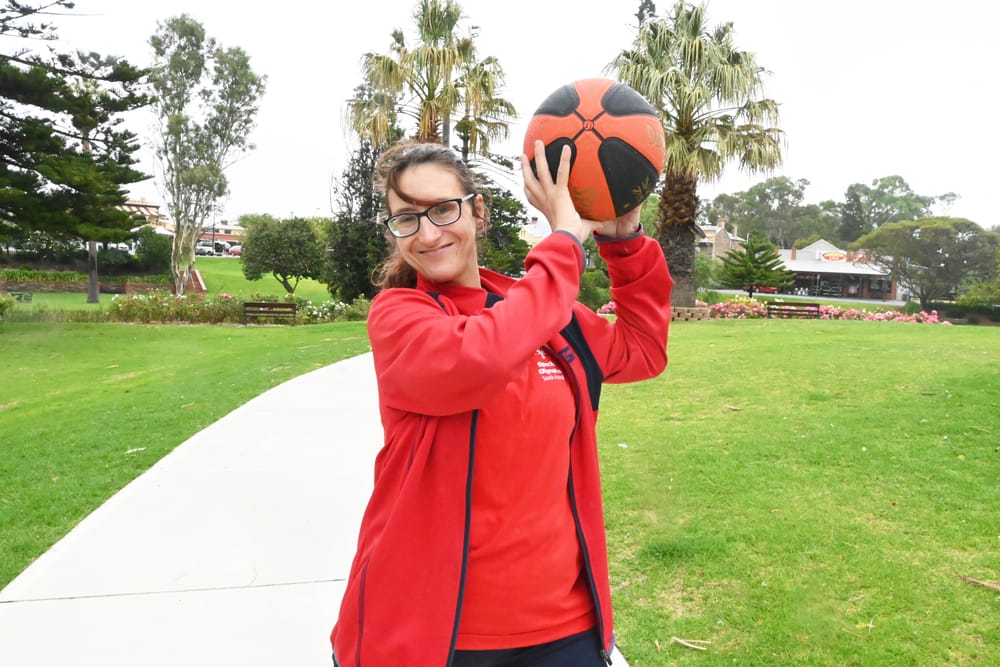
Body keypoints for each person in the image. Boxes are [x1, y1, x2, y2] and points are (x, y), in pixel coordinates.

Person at [330, 138, 673, 667]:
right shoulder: (400, 317)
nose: (428, 233)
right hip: (436, 637)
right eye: (407, 219)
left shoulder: (544, 314)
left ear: (478, 211)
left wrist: (623, 237)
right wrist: (563, 241)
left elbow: (643, 349)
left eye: (443, 209)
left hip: (563, 629)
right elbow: (483, 356)